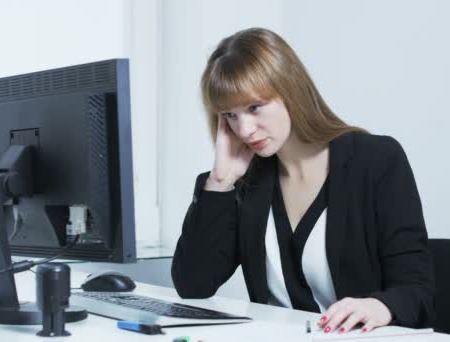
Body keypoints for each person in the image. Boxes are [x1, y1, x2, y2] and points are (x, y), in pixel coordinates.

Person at [171, 27, 434, 334]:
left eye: (254, 107)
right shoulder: (246, 183)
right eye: (230, 115)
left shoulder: (376, 161)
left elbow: (417, 292)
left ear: (290, 90)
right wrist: (220, 180)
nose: (244, 129)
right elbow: (193, 284)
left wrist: (380, 306)